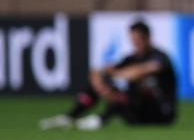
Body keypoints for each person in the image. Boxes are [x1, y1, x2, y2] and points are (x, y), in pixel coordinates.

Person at [39, 21, 178, 131]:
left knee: (127, 94)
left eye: (138, 41)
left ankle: (100, 120)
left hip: (160, 114)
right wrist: (100, 85)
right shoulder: (130, 58)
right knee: (99, 86)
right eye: (133, 40)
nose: (135, 44)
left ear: (147, 38)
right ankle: (70, 117)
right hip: (137, 112)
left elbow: (138, 72)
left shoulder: (160, 57)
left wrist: (115, 76)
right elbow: (97, 71)